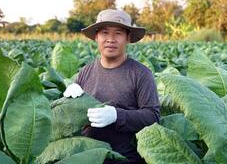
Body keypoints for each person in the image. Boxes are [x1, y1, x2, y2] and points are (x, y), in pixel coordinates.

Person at [63, 9, 160, 164]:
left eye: (118, 33)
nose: (110, 39)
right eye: (104, 33)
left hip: (124, 158)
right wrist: (67, 101)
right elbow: (72, 117)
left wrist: (117, 115)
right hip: (86, 156)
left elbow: (152, 116)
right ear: (96, 37)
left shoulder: (141, 74)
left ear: (128, 38)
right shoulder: (86, 71)